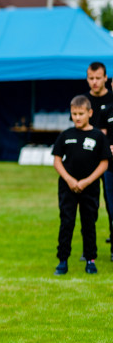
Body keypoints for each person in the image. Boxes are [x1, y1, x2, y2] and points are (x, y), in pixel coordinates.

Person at [52, 95, 109, 276]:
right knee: (67, 222)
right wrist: (69, 179)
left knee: (89, 224)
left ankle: (90, 260)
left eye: (80, 113)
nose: (77, 117)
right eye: (74, 114)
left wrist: (87, 181)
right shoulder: (66, 135)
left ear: (90, 113)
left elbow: (104, 163)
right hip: (68, 187)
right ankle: (62, 260)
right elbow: (57, 160)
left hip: (89, 187)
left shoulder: (98, 136)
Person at [85, 62, 113, 252]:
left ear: (106, 79)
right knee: (89, 204)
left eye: (98, 78)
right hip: (90, 161)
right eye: (91, 78)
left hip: (109, 161)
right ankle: (89, 246)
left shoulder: (111, 101)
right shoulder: (83, 101)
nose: (94, 82)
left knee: (110, 201)